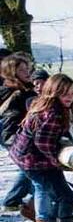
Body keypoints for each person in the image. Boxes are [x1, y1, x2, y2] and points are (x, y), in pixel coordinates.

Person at [7, 74, 73, 222]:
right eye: (64, 93)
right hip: (35, 162)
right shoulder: (53, 113)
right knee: (67, 198)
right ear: (53, 93)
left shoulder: (46, 107)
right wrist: (57, 162)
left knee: (59, 197)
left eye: (72, 93)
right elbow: (43, 142)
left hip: (29, 159)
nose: (69, 97)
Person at [1, 53, 38, 213]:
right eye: (22, 70)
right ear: (12, 73)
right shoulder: (19, 93)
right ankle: (15, 201)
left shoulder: (24, 90)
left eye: (27, 68)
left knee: (30, 169)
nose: (28, 72)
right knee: (33, 169)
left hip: (17, 137)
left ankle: (13, 200)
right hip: (16, 138)